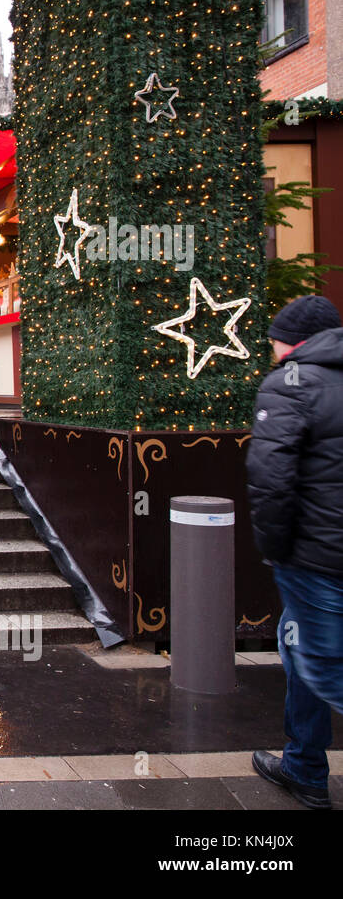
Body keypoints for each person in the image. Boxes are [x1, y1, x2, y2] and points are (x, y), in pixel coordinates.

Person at [246, 294, 343, 811]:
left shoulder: (291, 384)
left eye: (276, 338)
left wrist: (278, 550)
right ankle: (304, 764)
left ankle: (305, 767)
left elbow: (271, 478)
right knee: (303, 652)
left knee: (320, 664)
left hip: (316, 556)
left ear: (295, 341)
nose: (273, 348)